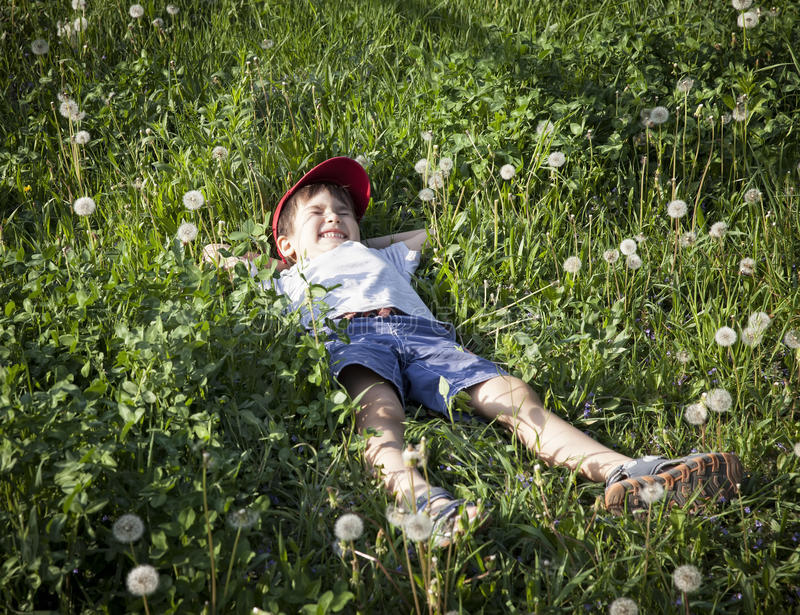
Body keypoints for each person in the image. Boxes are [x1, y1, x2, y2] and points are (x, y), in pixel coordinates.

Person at [203, 157, 743, 545]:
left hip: (422, 334)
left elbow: (420, 236)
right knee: (379, 414)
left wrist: (361, 243)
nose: (334, 219)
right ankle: (424, 503)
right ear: (288, 243)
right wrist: (279, 261)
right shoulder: (293, 277)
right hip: (350, 336)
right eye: (317, 213)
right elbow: (217, 258)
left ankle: (626, 471)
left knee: (510, 392)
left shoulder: (381, 258)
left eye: (344, 212)